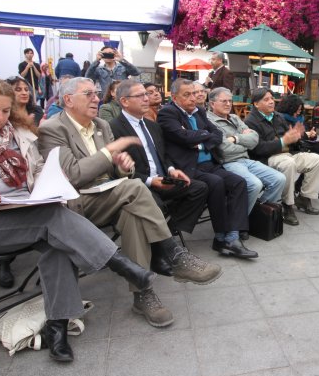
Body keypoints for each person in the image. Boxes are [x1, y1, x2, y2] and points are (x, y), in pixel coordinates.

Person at [0, 74, 161, 362]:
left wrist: (51, 187)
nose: (0, 117)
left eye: (6, 110)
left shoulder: (20, 136)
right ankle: (122, 265)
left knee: (56, 241)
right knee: (53, 219)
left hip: (26, 214)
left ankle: (56, 329)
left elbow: (42, 174)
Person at [37, 77, 221, 328]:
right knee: (135, 189)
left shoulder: (100, 125)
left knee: (133, 213)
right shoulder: (52, 129)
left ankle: (142, 294)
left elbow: (117, 173)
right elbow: (73, 176)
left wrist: (123, 167)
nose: (96, 98)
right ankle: (173, 254)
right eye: (88, 93)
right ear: (68, 100)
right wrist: (110, 152)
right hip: (76, 202)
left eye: (97, 92)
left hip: (113, 195)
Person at [158, 78, 257, 258]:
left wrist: (199, 140)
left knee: (239, 182)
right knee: (216, 183)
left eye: (194, 94)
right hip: (189, 167)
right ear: (174, 97)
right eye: (186, 95)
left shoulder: (199, 112)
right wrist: (203, 135)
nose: (192, 99)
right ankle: (220, 238)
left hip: (210, 163)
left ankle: (233, 237)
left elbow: (217, 135)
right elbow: (183, 137)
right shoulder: (167, 113)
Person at [109, 80, 210, 251]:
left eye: (146, 94)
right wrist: (149, 180)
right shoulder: (113, 128)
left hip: (164, 179)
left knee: (199, 188)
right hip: (139, 184)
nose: (146, 99)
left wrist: (172, 169)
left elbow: (164, 155)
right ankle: (162, 246)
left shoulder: (152, 126)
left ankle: (167, 234)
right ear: (124, 101)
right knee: (155, 204)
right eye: (140, 95)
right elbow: (115, 170)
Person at [245, 87, 319, 226]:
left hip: (287, 154)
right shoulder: (251, 121)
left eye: (271, 98)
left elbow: (290, 137)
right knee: (288, 163)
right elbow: (257, 148)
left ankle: (305, 198)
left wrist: (298, 136)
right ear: (256, 104)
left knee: (316, 160)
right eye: (266, 99)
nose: (271, 102)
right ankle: (287, 205)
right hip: (267, 158)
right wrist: (282, 141)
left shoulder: (278, 116)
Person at [207, 87, 286, 211]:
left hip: (246, 160)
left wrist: (236, 139)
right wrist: (245, 143)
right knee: (254, 184)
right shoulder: (209, 121)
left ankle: (259, 212)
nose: (228, 104)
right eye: (224, 101)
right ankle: (239, 221)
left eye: (230, 101)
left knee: (279, 179)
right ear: (212, 103)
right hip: (229, 162)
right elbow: (224, 149)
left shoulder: (234, 117)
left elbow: (254, 139)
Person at [276, 94, 319, 171]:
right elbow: (286, 140)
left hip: (304, 146)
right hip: (292, 150)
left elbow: (308, 132)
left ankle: (301, 182)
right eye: (297, 110)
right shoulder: (280, 119)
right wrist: (304, 135)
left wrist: (312, 135)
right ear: (289, 109)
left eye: (300, 110)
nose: (298, 112)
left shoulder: (300, 118)